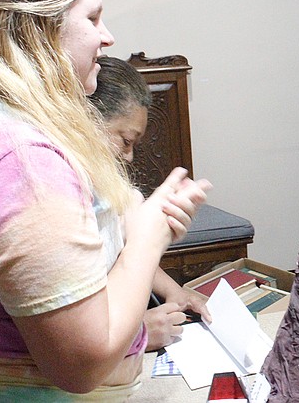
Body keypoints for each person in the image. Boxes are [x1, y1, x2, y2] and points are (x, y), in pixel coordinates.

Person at [0, 0, 211, 401]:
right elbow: (82, 364)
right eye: (93, 18)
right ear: (34, 29)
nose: (108, 37)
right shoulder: (21, 161)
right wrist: (148, 235)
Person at [89, 55, 211, 352]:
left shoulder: (111, 188)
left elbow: (125, 249)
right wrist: (139, 332)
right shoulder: (55, 197)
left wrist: (175, 291)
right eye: (125, 140)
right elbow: (72, 344)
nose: (129, 156)